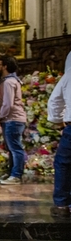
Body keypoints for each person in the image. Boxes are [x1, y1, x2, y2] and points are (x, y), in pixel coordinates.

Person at [0, 55, 27, 185]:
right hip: (11, 119)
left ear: (5, 66)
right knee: (11, 148)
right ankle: (12, 173)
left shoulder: (8, 82)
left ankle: (16, 175)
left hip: (12, 119)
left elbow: (8, 104)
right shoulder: (10, 80)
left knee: (15, 148)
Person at [47, 51, 71, 217]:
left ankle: (62, 205)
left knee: (64, 163)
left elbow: (55, 100)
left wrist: (58, 122)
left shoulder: (69, 75)